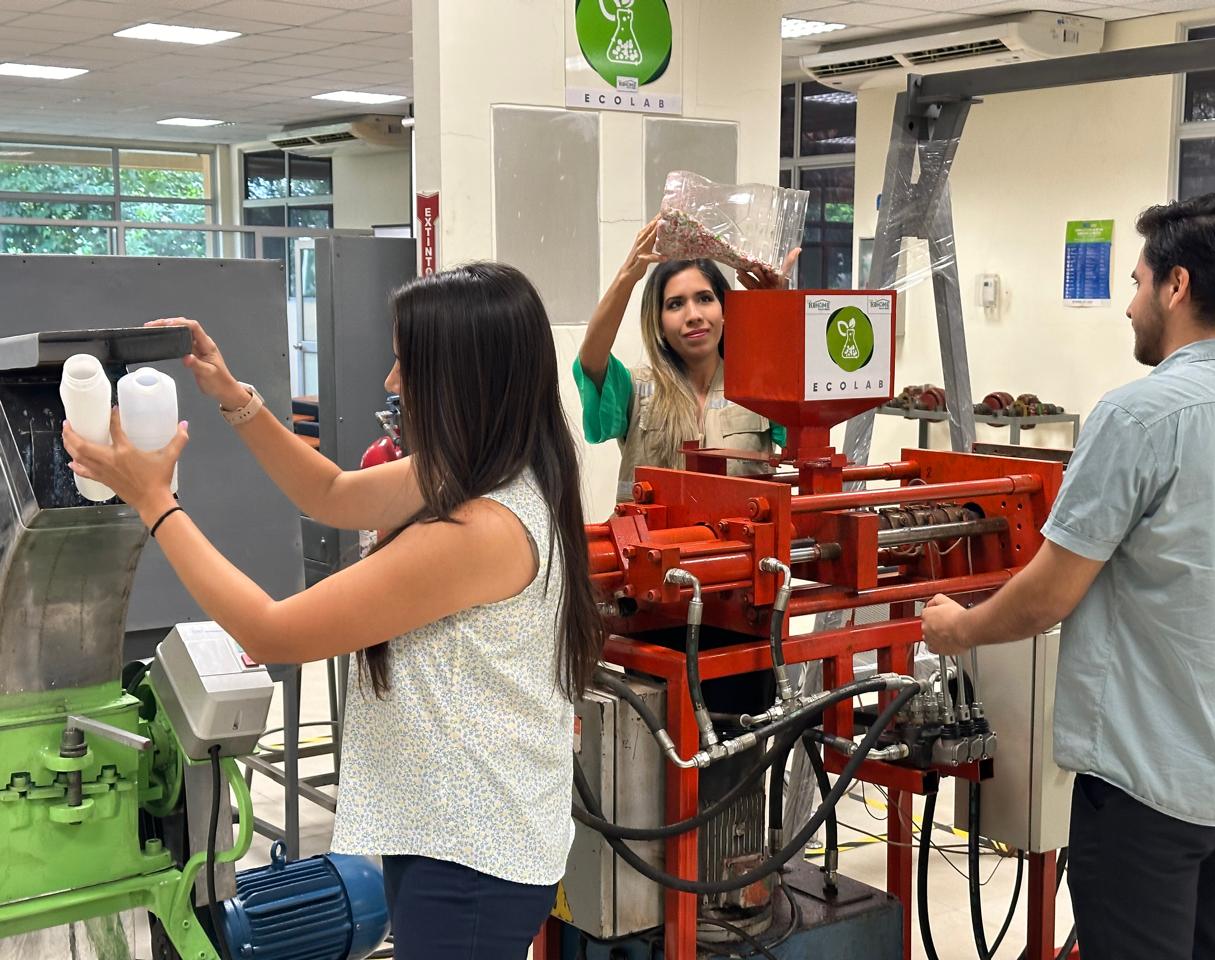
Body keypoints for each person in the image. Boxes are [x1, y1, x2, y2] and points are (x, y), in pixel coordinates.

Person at [62, 262, 605, 960]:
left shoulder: (486, 529)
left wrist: (154, 502)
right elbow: (333, 493)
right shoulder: (484, 470)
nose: (391, 383)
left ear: (463, 380)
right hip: (456, 830)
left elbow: (273, 631)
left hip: (474, 855)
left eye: (406, 364)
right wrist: (233, 396)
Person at [920, 192, 1215, 959]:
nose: (1128, 306)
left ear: (1175, 286)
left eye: (1136, 281)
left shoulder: (1137, 416)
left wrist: (960, 629)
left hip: (1150, 786)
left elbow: (1051, 592)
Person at [573, 216, 800, 501]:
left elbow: (806, 432)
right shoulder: (634, 388)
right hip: (652, 544)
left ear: (725, 311)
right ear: (659, 322)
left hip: (741, 545)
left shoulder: (759, 390)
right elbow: (591, 360)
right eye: (675, 304)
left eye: (705, 299)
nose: (693, 316)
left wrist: (778, 311)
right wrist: (627, 276)